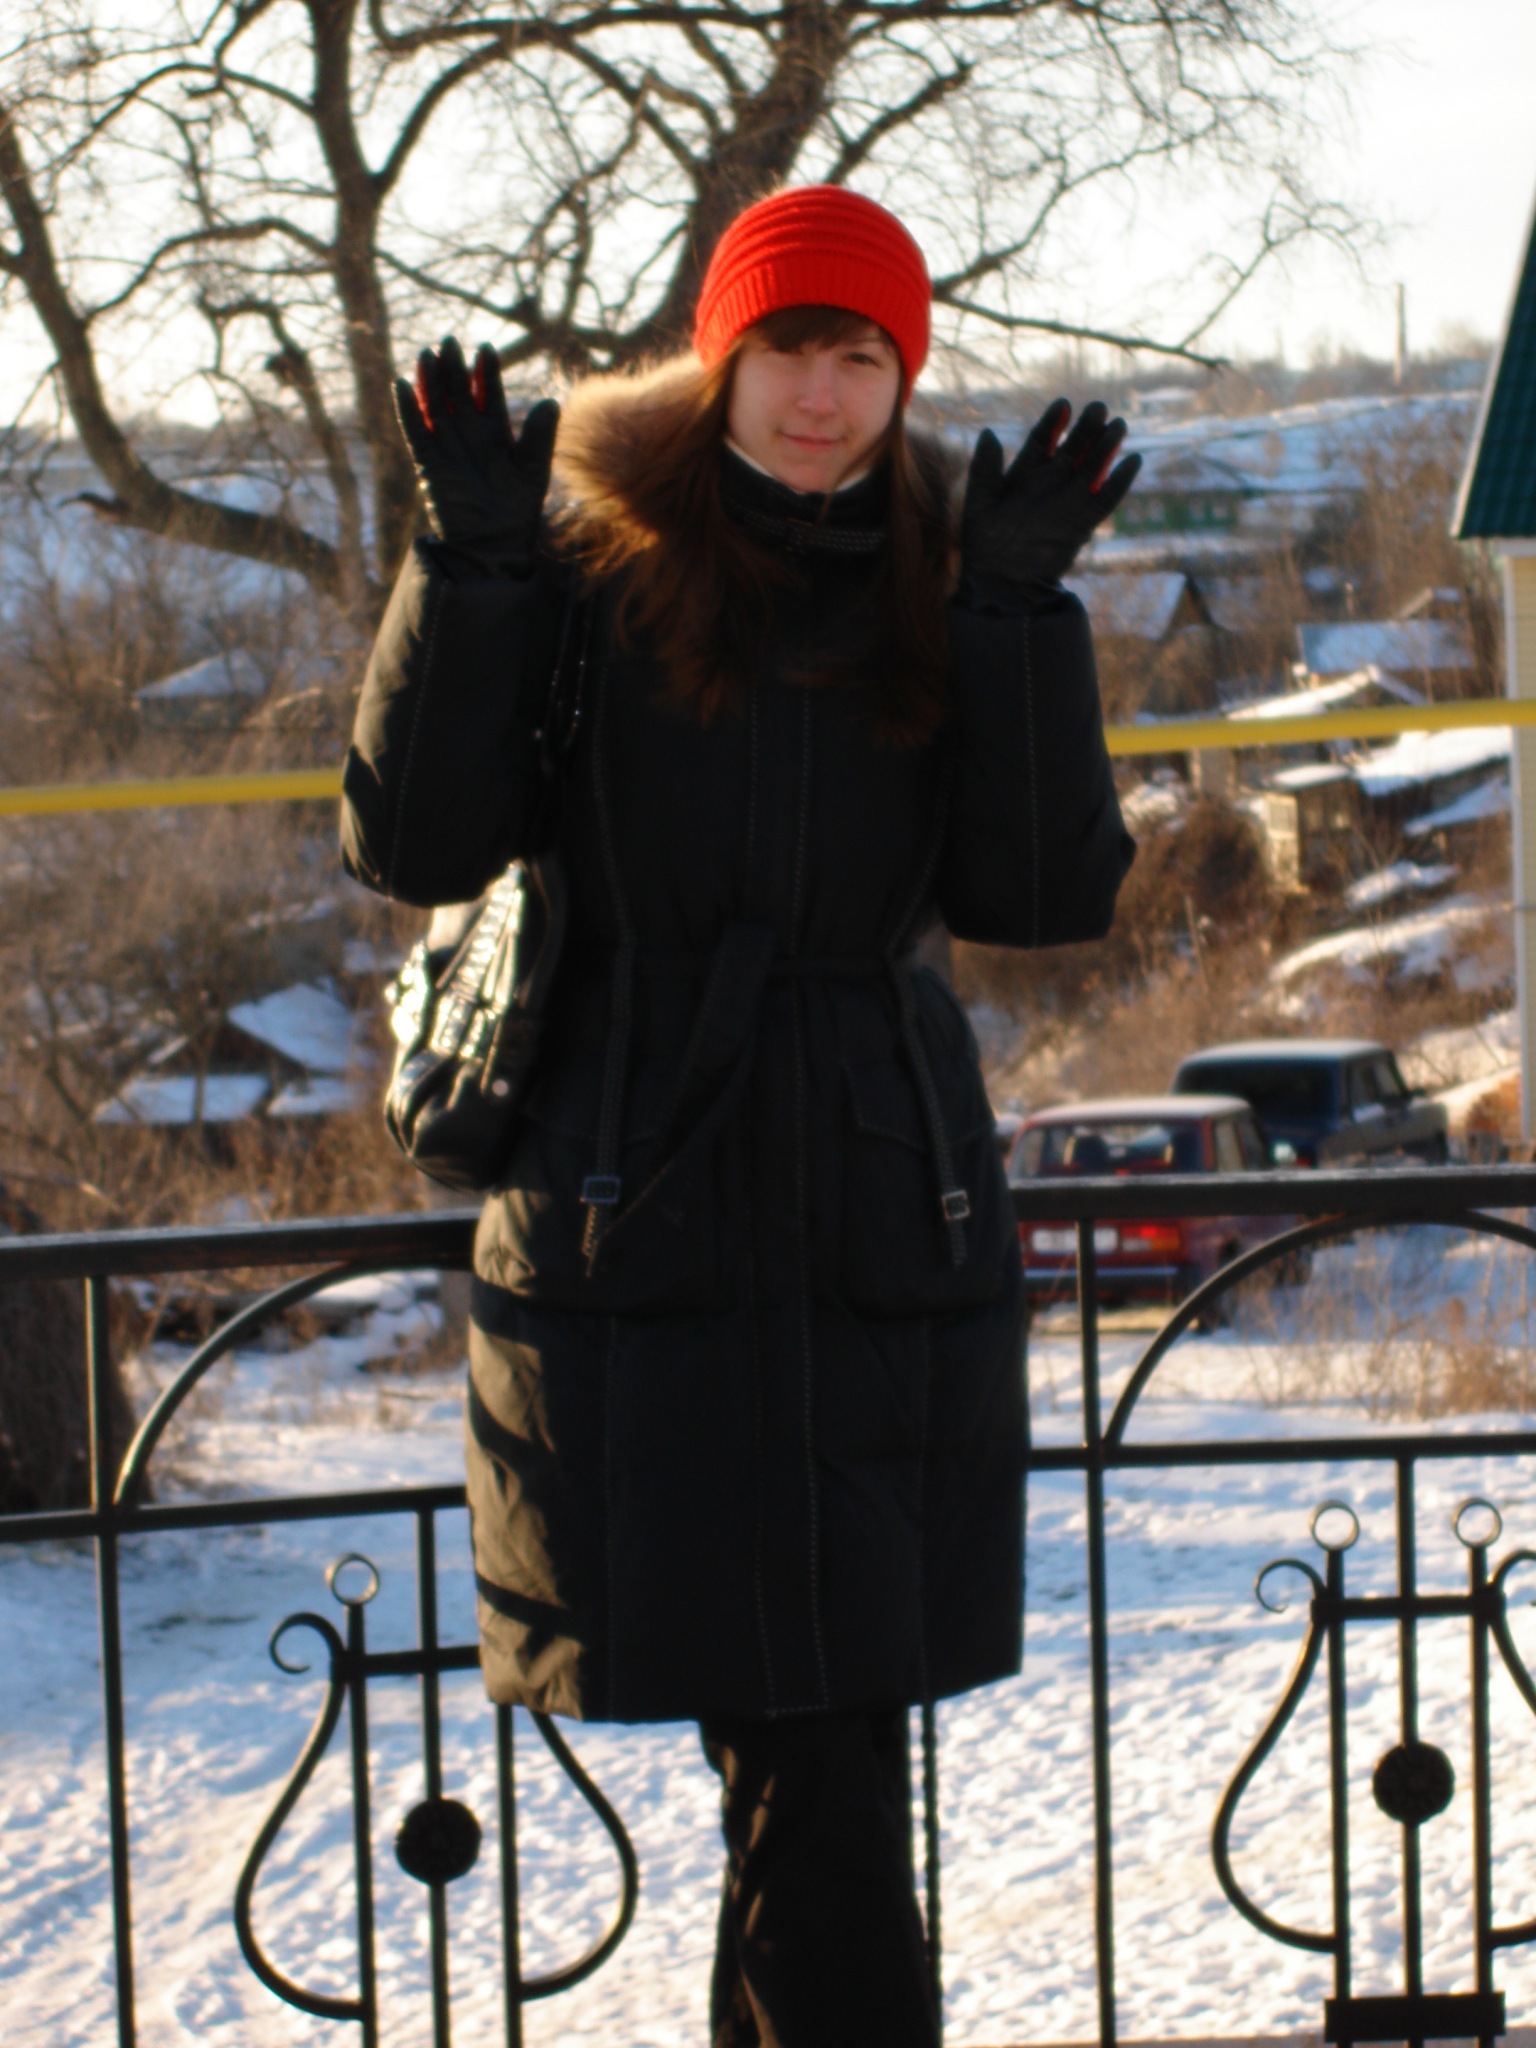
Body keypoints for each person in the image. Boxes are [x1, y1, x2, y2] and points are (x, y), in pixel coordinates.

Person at [341, 184, 1136, 2048]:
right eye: (786, 349)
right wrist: (469, 570)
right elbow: (416, 840)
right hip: (639, 1219)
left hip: (880, 1222)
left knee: (813, 1768)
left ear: (902, 376)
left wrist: (1020, 614)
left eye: (861, 356)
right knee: (805, 1768)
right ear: (722, 359)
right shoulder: (593, 566)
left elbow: (1039, 892)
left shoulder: (952, 579)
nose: (821, 395)